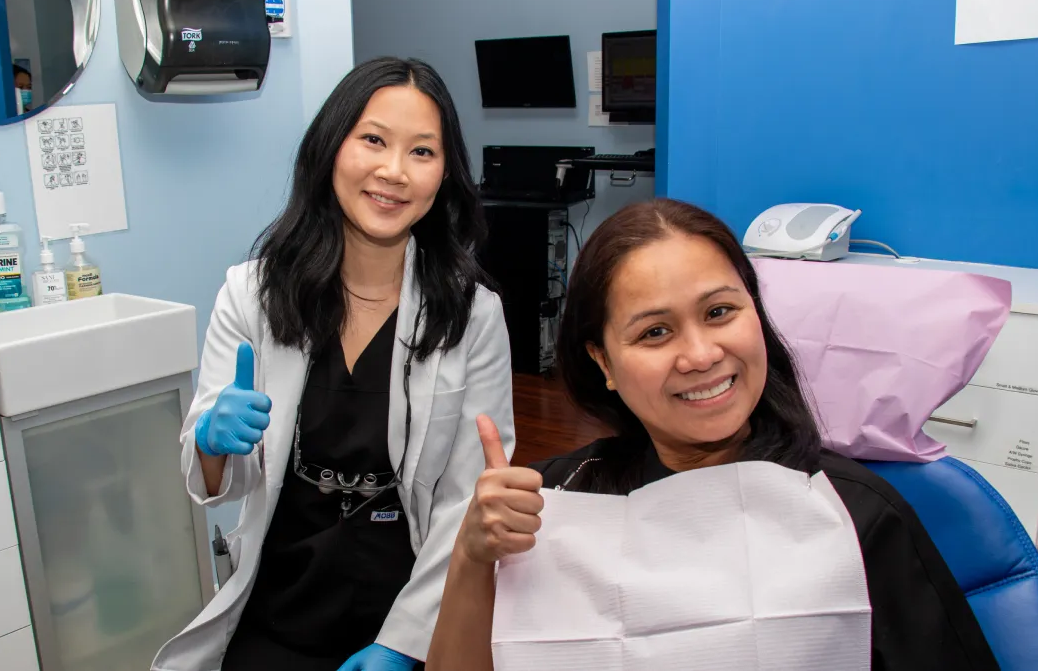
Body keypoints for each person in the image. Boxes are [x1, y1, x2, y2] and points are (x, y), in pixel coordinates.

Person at [426, 199, 999, 670]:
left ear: (756, 314)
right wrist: (472, 557)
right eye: (655, 332)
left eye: (720, 312)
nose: (701, 355)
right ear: (603, 360)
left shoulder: (853, 515)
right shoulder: (551, 505)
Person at [150, 57, 515, 671]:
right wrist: (215, 440)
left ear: (445, 174)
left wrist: (406, 642)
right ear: (330, 149)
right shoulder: (252, 295)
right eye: (373, 140)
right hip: (283, 594)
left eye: (422, 152)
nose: (393, 172)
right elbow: (218, 485)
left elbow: (463, 503)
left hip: (410, 597)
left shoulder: (471, 315)